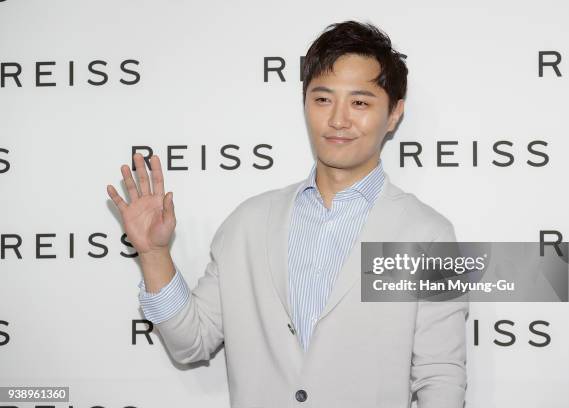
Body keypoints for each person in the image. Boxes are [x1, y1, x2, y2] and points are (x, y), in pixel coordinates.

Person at [107, 20, 467, 408]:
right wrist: (154, 254)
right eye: (323, 99)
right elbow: (189, 342)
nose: (338, 120)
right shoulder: (248, 223)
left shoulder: (427, 234)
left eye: (360, 102)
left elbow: (440, 377)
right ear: (305, 103)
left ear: (394, 114)